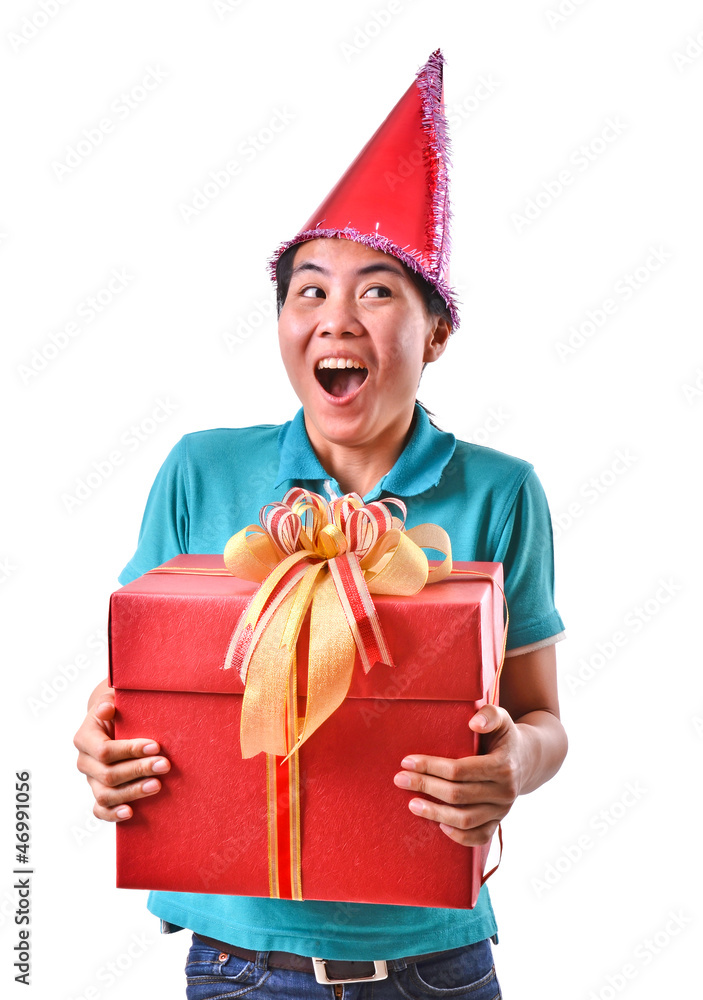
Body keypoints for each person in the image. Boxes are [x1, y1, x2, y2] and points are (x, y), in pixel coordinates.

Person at [74, 51, 567, 999]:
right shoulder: (200, 469)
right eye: (309, 290)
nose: (336, 316)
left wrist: (513, 763)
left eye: (377, 290)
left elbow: (543, 717)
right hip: (237, 964)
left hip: (438, 963)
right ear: (282, 324)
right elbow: (132, 681)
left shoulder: (501, 492)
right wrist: (100, 739)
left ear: (434, 333)